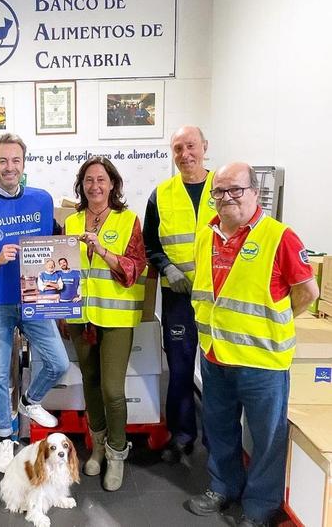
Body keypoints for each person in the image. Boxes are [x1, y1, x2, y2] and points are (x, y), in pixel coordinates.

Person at [187, 162, 318, 527]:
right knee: (220, 429)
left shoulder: (279, 236)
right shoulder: (206, 236)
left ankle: (259, 507)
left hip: (262, 362)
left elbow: (308, 293)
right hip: (215, 355)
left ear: (254, 192)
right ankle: (223, 486)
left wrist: (271, 325)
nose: (227, 197)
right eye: (220, 191)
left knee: (266, 439)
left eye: (236, 190)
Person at [0, 133, 69, 473]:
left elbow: (55, 237)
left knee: (59, 362)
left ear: (23, 162)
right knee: (0, 373)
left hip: (35, 298)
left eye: (15, 160)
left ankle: (31, 401)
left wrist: (75, 243)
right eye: (2, 161)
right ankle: (5, 437)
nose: (9, 167)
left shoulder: (41, 200)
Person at [62, 157, 147, 491]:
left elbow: (135, 267)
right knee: (91, 382)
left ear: (113, 184)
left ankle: (116, 453)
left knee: (113, 389)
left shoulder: (128, 221)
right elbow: (61, 269)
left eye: (101, 180)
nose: (95, 186)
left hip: (115, 317)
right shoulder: (71, 223)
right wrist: (57, 309)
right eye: (88, 180)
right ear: (81, 186)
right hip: (80, 315)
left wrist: (104, 251)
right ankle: (96, 446)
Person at [142, 125, 217, 463]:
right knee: (181, 368)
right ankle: (182, 435)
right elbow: (151, 244)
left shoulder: (225, 188)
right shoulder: (162, 194)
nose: (185, 155)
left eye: (191, 146)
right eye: (177, 149)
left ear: (204, 146)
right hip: (179, 297)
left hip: (220, 298)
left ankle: (218, 444)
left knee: (218, 372)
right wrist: (168, 269)